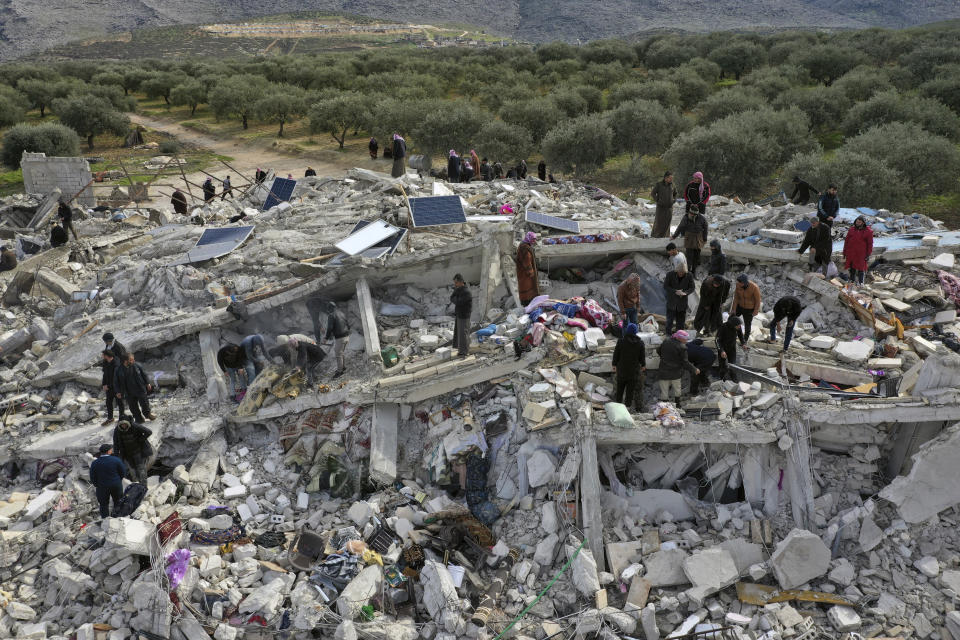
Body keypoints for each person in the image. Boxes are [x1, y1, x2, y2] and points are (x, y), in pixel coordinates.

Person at [656, 330, 699, 407]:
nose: (686, 340)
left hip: (663, 370)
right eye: (685, 339)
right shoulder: (682, 347)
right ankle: (677, 405)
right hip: (675, 372)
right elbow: (685, 362)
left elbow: (658, 350)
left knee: (664, 391)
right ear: (680, 338)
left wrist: (664, 357)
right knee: (677, 390)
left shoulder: (666, 341)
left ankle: (664, 408)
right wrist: (694, 369)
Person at [310, 301, 349, 378]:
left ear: (330, 309)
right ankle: (343, 367)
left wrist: (326, 338)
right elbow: (347, 324)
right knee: (341, 352)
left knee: (338, 354)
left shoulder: (331, 315)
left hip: (340, 338)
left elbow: (330, 328)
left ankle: (340, 372)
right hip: (347, 336)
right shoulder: (341, 313)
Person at [612, 323, 646, 411]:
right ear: (635, 332)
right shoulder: (640, 343)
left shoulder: (621, 341)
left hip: (622, 370)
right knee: (630, 391)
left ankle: (618, 408)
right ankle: (627, 408)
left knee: (620, 389)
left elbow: (616, 354)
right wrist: (643, 365)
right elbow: (642, 357)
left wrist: (614, 364)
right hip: (633, 371)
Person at [114, 352, 155, 423]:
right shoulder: (118, 370)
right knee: (133, 407)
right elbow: (115, 381)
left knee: (144, 403)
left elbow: (144, 374)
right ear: (125, 361)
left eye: (133, 359)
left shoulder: (137, 365)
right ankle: (139, 418)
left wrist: (147, 383)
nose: (133, 361)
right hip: (128, 391)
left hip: (139, 388)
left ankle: (148, 414)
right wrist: (118, 391)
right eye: (131, 360)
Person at [90, 444, 126, 518]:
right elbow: (123, 472)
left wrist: (97, 485)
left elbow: (92, 477)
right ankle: (118, 518)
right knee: (118, 502)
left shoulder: (95, 463)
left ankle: (105, 520)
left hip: (102, 486)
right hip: (116, 485)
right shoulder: (116, 460)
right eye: (111, 449)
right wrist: (118, 480)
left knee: (103, 505)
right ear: (109, 451)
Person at [671, 208, 708, 277]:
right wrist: (674, 236)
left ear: (696, 214)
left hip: (698, 239)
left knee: (696, 257)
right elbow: (680, 227)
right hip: (689, 239)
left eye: (692, 214)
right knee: (689, 257)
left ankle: (694, 272)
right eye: (690, 213)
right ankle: (687, 272)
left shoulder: (702, 218)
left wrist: (705, 239)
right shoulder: (685, 217)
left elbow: (705, 228)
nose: (690, 215)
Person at [663, 263, 695, 335]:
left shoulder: (689, 275)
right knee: (669, 320)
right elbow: (665, 286)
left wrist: (685, 293)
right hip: (672, 301)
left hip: (682, 302)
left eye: (682, 273)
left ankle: (679, 335)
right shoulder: (670, 274)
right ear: (676, 271)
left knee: (681, 321)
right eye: (679, 272)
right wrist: (675, 291)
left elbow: (692, 287)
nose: (681, 274)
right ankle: (668, 335)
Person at [843, 215, 873, 285]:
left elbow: (870, 244)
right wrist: (845, 251)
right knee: (852, 267)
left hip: (861, 253)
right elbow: (846, 241)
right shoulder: (852, 229)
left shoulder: (868, 231)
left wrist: (868, 254)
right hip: (851, 252)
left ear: (863, 223)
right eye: (857, 221)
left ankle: (861, 282)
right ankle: (852, 281)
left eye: (859, 222)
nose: (858, 223)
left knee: (861, 268)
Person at [730, 274, 762, 339]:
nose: (738, 284)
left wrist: (756, 310)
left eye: (740, 283)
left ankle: (745, 340)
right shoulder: (738, 285)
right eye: (738, 282)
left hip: (749, 308)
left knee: (747, 324)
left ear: (745, 283)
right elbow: (736, 297)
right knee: (731, 319)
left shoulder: (754, 287)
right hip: (740, 306)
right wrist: (733, 309)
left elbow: (758, 300)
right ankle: (732, 334)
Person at [716, 315, 746, 381]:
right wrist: (721, 351)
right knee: (723, 366)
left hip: (732, 348)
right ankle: (722, 380)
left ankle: (734, 380)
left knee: (733, 365)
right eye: (738, 326)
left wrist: (743, 343)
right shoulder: (723, 327)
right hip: (723, 348)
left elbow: (740, 335)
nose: (739, 327)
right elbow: (717, 340)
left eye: (739, 326)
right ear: (733, 325)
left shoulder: (738, 327)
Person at [450, 274, 473, 358]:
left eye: (456, 282)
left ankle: (464, 352)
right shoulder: (458, 290)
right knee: (459, 334)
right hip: (459, 314)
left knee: (464, 334)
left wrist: (456, 299)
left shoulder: (466, 292)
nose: (455, 284)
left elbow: (458, 302)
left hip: (464, 315)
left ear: (460, 282)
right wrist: (456, 299)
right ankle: (461, 350)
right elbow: (452, 297)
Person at [101, 350, 125, 426]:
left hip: (117, 387)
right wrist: (104, 384)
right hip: (109, 387)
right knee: (108, 402)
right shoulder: (105, 362)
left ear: (107, 356)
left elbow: (116, 378)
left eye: (103, 355)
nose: (102, 356)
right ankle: (110, 418)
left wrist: (109, 386)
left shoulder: (116, 364)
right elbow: (104, 374)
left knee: (119, 402)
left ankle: (122, 418)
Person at [515, 232, 540, 306]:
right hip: (525, 274)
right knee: (528, 289)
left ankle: (528, 305)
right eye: (533, 239)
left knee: (527, 289)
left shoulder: (525, 245)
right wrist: (530, 272)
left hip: (524, 273)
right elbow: (527, 260)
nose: (534, 241)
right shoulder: (524, 248)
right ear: (529, 238)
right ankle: (527, 306)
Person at [650, 171, 677, 238]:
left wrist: (674, 200)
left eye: (672, 178)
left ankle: (666, 236)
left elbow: (675, 193)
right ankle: (656, 235)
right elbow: (653, 193)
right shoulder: (659, 185)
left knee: (667, 222)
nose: (671, 180)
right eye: (670, 178)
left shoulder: (673, 185)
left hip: (669, 207)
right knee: (659, 222)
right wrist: (658, 201)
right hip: (660, 207)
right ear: (665, 178)